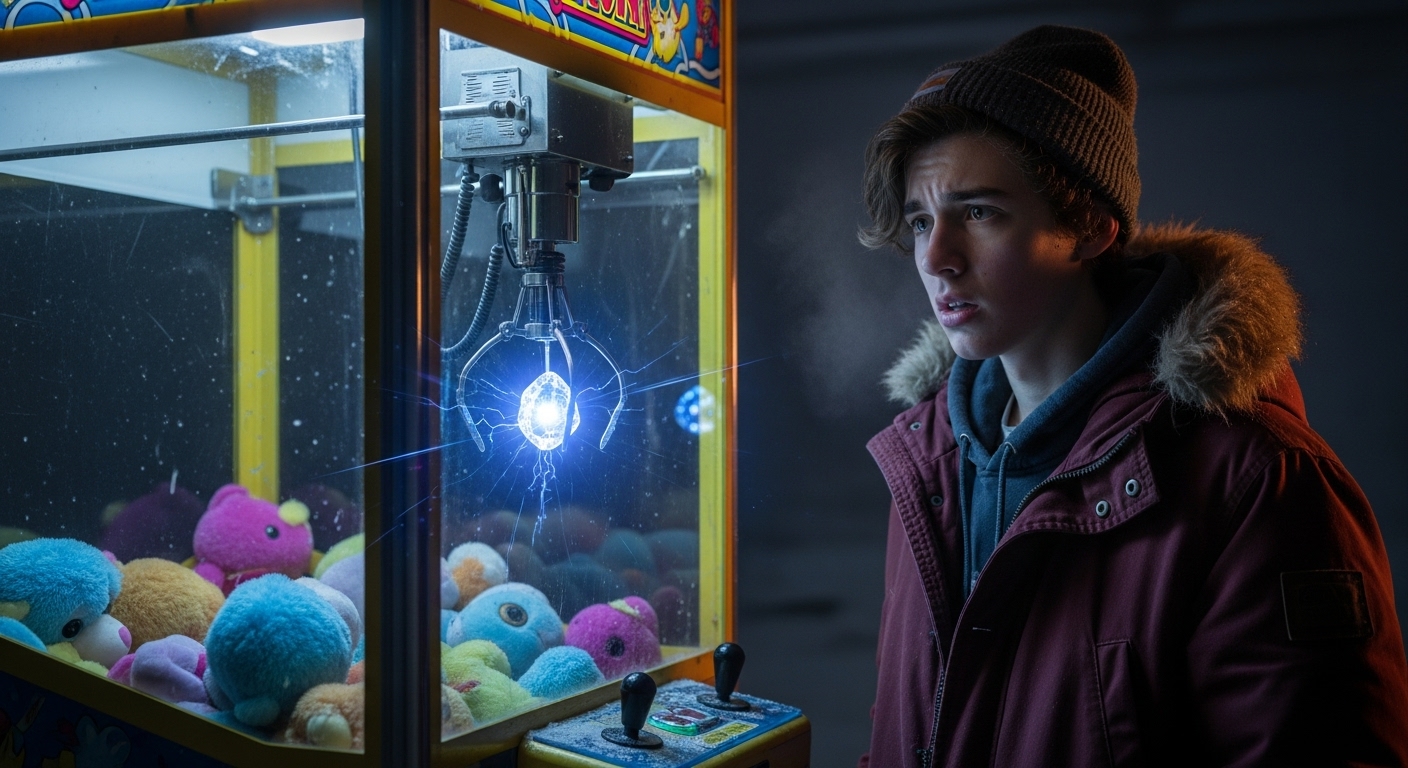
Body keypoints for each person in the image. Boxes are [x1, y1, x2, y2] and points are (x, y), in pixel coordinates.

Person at [858, 24, 1408, 767]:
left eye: (980, 212)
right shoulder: (926, 465)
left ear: (1088, 226)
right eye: (921, 221)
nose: (935, 258)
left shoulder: (1251, 481)